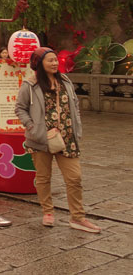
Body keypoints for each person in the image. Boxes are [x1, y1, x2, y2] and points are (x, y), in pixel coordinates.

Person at [15, 47, 100, 233]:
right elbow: (20, 108)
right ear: (39, 64)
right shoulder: (30, 85)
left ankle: (78, 217)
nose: (54, 63)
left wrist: (76, 125)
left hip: (67, 138)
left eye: (55, 60)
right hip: (41, 139)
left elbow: (75, 105)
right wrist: (32, 127)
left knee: (74, 177)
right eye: (50, 60)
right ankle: (48, 211)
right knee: (44, 177)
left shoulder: (66, 81)